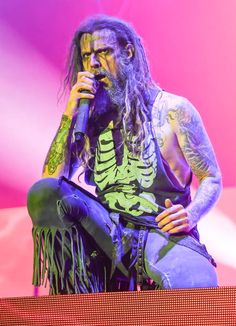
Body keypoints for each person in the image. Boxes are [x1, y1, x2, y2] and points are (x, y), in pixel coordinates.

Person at [27, 15, 222, 294]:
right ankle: (79, 297)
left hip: (162, 230)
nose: (93, 64)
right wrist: (70, 115)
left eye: (103, 52)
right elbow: (48, 185)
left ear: (128, 52)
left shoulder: (173, 110)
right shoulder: (89, 121)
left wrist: (191, 215)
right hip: (108, 233)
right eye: (86, 56)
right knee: (44, 193)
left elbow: (211, 177)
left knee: (196, 287)